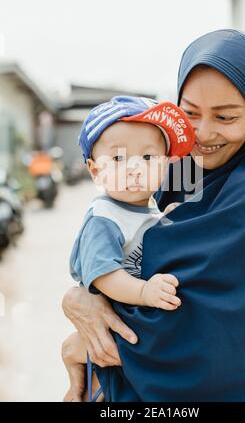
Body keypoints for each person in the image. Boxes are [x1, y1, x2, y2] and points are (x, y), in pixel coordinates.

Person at [62, 29, 245, 402]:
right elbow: (121, 243)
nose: (203, 133)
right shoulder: (178, 164)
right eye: (190, 113)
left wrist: (84, 345)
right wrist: (83, 295)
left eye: (226, 117)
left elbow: (212, 331)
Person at [63, 96, 195, 401]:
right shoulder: (104, 219)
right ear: (95, 171)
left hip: (130, 332)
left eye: (148, 159)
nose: (134, 169)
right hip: (108, 334)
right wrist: (145, 292)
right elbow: (104, 276)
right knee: (102, 392)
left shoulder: (149, 212)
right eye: (119, 159)